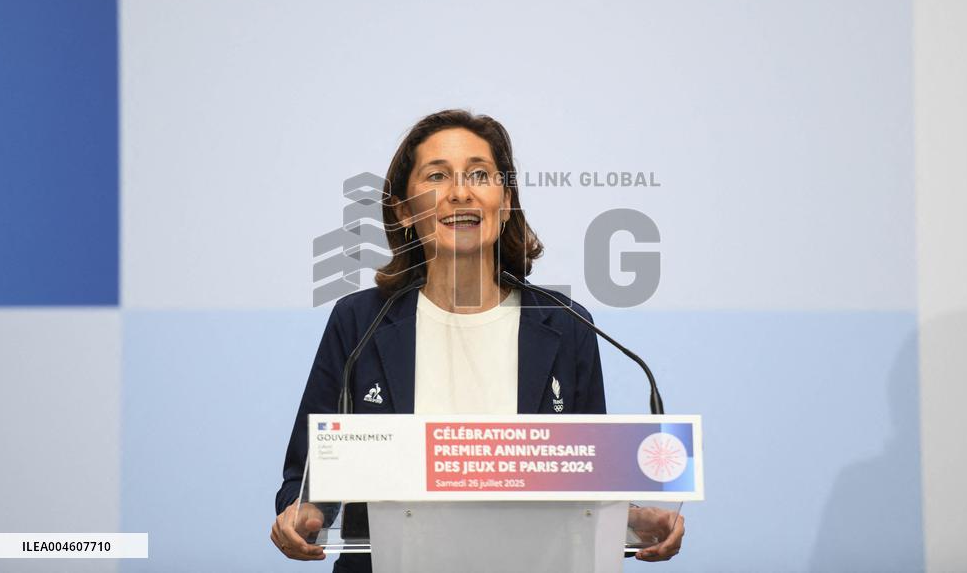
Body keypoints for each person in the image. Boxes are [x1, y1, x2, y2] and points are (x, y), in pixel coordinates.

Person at [270, 110, 684, 570]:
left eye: (480, 175)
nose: (460, 192)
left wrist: (633, 520)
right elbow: (308, 477)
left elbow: (587, 481)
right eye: (437, 175)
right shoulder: (360, 321)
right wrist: (304, 513)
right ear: (404, 211)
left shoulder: (565, 325)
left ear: (505, 202)